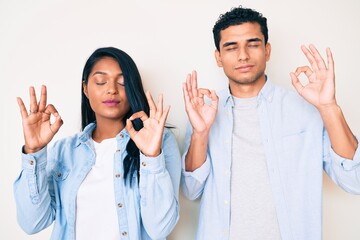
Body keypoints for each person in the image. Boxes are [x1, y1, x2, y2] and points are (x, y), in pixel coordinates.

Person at [181, 6, 360, 240]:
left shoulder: (305, 111)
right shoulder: (202, 112)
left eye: (253, 44)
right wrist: (200, 134)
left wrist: (329, 107)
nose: (243, 55)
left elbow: (354, 181)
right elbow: (191, 191)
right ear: (218, 57)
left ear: (267, 51)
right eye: (231, 47)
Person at [13, 47, 181, 240]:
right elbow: (32, 223)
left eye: (122, 82)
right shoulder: (64, 151)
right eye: (101, 81)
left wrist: (151, 157)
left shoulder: (161, 141)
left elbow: (161, 228)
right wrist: (34, 152)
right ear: (85, 88)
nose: (112, 89)